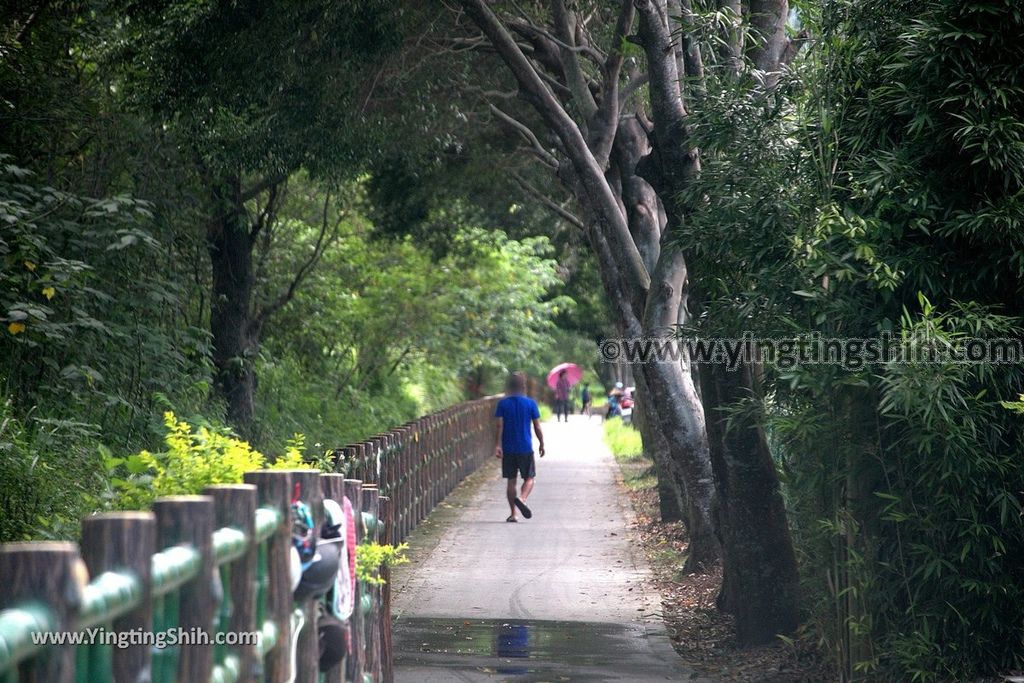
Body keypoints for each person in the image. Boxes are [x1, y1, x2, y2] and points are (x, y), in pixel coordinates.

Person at [494, 372, 545, 522]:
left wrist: (498, 444)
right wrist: (541, 443)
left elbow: (499, 425)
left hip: (508, 448)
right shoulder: (530, 404)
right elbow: (537, 426)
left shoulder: (503, 404)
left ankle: (513, 514)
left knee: (511, 480)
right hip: (525, 447)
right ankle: (522, 499)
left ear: (509, 387)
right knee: (530, 478)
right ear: (523, 387)